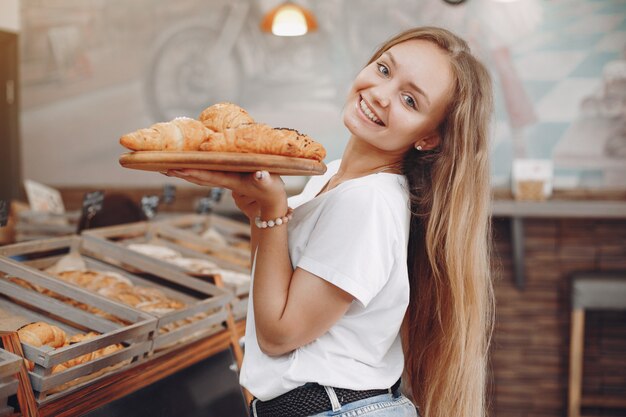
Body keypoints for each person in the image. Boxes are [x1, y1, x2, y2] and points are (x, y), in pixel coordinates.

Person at [168, 26, 495, 417]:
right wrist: (260, 212)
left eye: (409, 100)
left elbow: (280, 334)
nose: (379, 94)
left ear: (429, 137)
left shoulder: (368, 202)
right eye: (384, 70)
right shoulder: (332, 176)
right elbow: (279, 284)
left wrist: (273, 212)